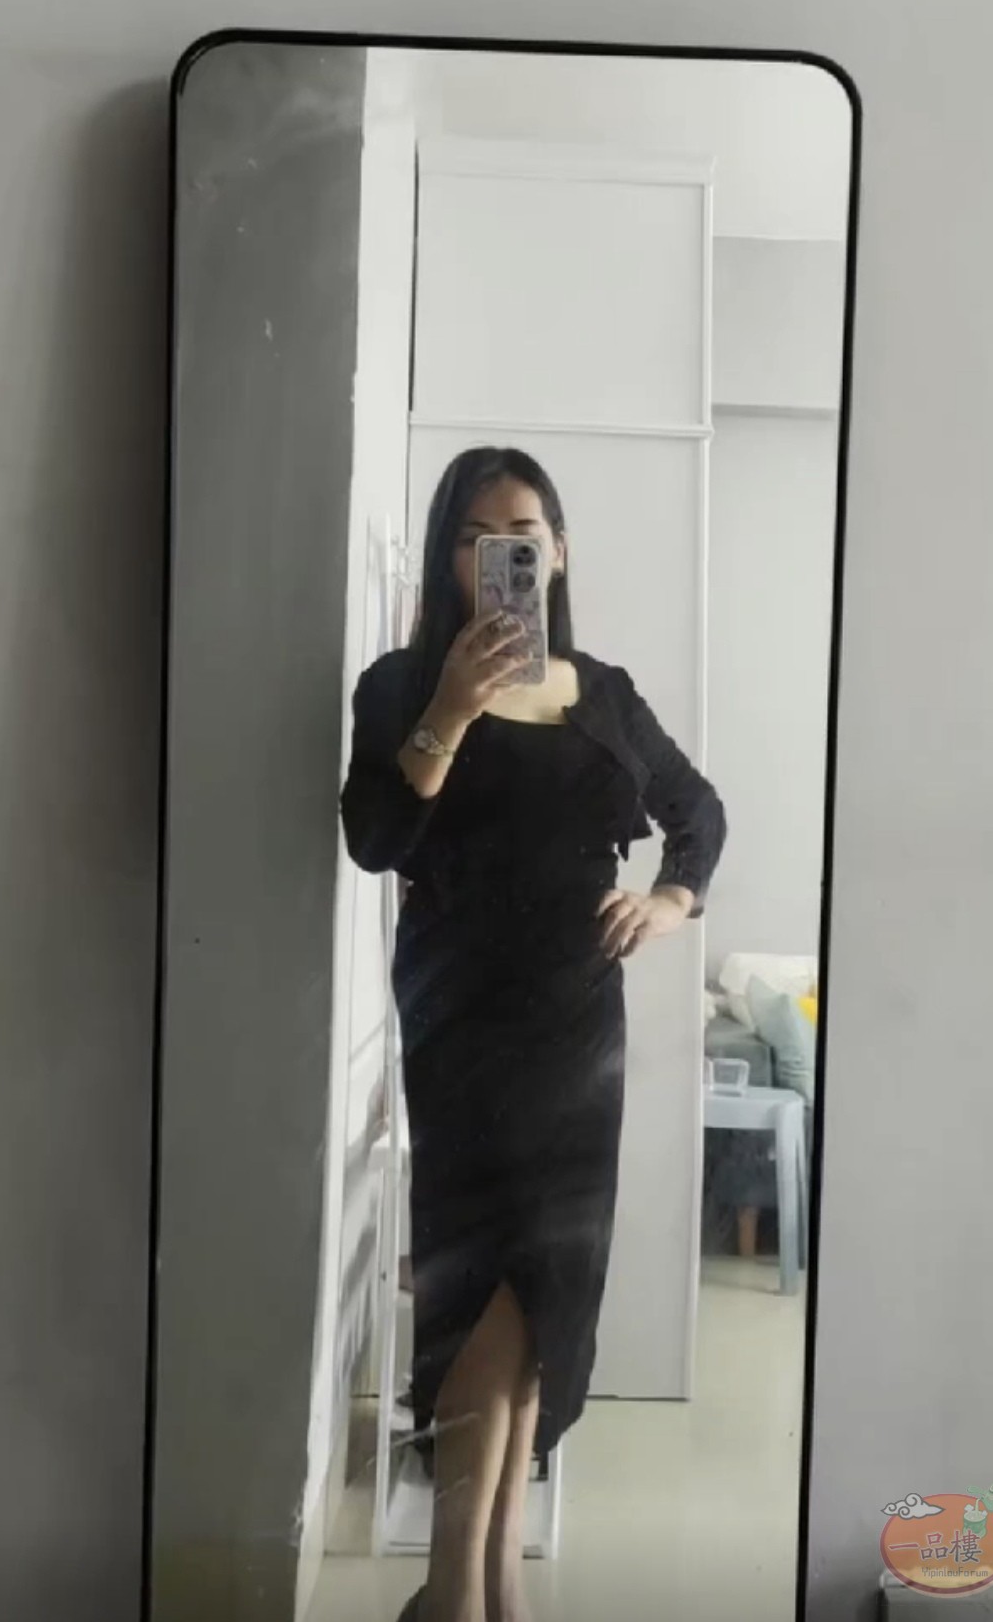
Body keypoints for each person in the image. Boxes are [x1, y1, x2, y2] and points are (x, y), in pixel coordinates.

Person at [341, 447, 726, 1622]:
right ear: (449, 556)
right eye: (477, 535)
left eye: (525, 532)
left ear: (557, 550)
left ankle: (489, 1586)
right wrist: (451, 709)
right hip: (463, 1016)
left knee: (547, 1286)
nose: (503, 553)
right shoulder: (402, 683)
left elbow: (697, 810)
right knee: (481, 1279)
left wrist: (671, 898)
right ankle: (458, 1590)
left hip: (577, 1025)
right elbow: (375, 837)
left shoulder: (602, 690)